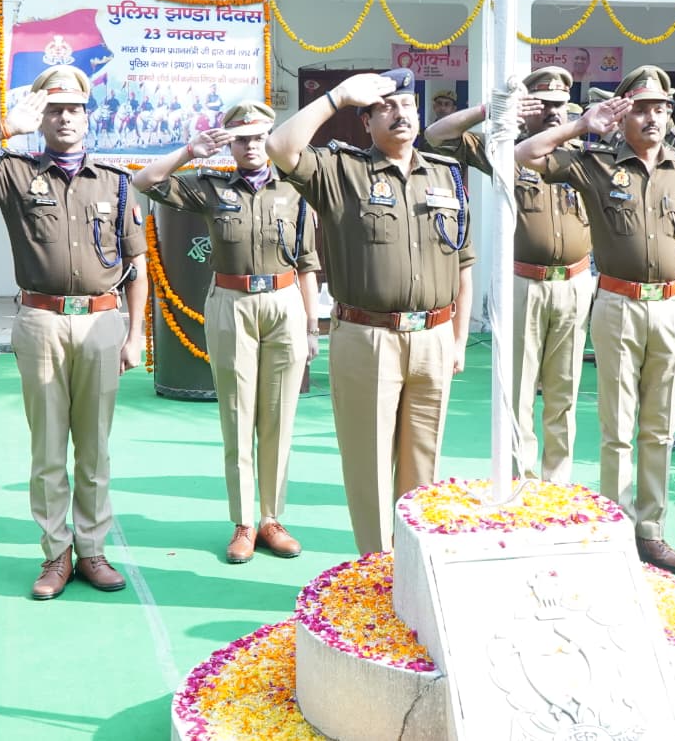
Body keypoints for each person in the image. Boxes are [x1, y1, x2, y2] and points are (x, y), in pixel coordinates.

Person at [0, 65, 147, 600]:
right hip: (41, 321)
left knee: (94, 447)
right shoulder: (15, 174)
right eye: (54, 110)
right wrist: (6, 127)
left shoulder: (116, 183)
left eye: (74, 109)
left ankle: (92, 551)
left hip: (102, 321)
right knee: (48, 448)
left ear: (88, 117)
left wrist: (136, 334)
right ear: (41, 118)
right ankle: (56, 554)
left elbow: (137, 266)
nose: (65, 118)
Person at [515, 65, 675, 575]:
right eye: (641, 109)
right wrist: (583, 125)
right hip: (617, 304)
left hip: (672, 307)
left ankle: (651, 531)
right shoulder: (596, 165)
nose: (653, 118)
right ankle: (616, 529)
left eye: (660, 109)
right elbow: (525, 155)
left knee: (660, 428)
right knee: (618, 428)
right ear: (623, 114)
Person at [265, 68, 474, 555]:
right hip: (368, 337)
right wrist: (337, 96)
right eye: (386, 107)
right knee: (370, 465)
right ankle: (376, 573)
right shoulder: (342, 171)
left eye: (407, 105)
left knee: (423, 466)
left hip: (434, 337)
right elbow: (280, 147)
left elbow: (463, 264)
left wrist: (459, 339)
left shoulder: (445, 174)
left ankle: (413, 569)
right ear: (366, 121)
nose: (400, 113)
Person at [133, 101, 318, 564]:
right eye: (242, 139)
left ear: (270, 140)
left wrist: (313, 326)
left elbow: (308, 263)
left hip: (285, 302)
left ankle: (272, 519)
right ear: (230, 146)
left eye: (259, 138)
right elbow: (145, 182)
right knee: (237, 416)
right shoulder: (209, 187)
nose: (251, 147)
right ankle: (243, 523)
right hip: (231, 303)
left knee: (279, 417)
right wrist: (188, 152)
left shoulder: (294, 190)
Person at [424, 67, 593, 484]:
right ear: (528, 107)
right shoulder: (503, 150)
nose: (554, 113)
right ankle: (521, 480)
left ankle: (557, 482)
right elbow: (436, 136)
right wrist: (491, 111)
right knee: (518, 391)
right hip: (523, 284)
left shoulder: (586, 155)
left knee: (564, 391)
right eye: (544, 105)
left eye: (560, 105)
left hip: (574, 284)